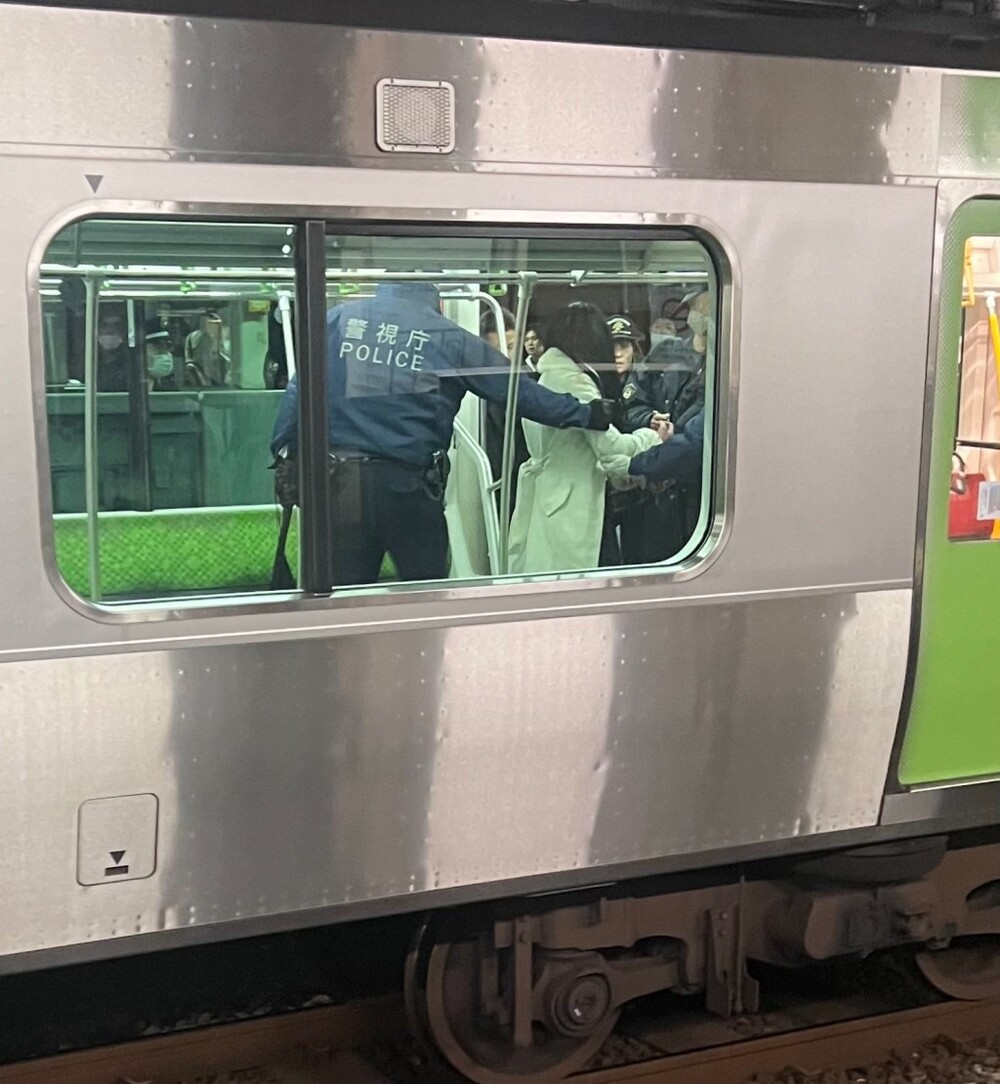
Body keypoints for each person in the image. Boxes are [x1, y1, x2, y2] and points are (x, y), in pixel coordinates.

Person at [269, 281, 615, 586]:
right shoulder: (447, 336)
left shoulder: (338, 320)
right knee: (425, 599)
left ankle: (342, 659)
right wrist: (586, 413)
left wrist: (284, 451)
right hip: (409, 489)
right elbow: (517, 392)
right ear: (438, 303)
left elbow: (299, 389)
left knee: (342, 599)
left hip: (339, 488)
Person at [507, 303, 670, 576]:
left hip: (551, 497)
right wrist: (652, 437)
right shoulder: (575, 382)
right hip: (573, 502)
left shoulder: (548, 375)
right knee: (587, 583)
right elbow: (609, 446)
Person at [601, 314, 647, 565]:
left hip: (637, 481)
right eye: (612, 346)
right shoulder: (593, 384)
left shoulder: (646, 380)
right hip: (602, 483)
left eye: (624, 346)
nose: (618, 353)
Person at [184, 309, 230, 387]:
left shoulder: (226, 343)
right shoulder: (193, 337)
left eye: (213, 324)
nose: (209, 327)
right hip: (201, 380)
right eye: (205, 324)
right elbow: (189, 357)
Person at [94, 309, 133, 391]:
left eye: (116, 326)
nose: (110, 331)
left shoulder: (131, 361)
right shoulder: (86, 360)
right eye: (104, 325)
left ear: (124, 331)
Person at [143, 317, 177, 390]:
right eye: (158, 346)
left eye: (167, 346)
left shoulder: (168, 386)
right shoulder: (121, 386)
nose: (164, 352)